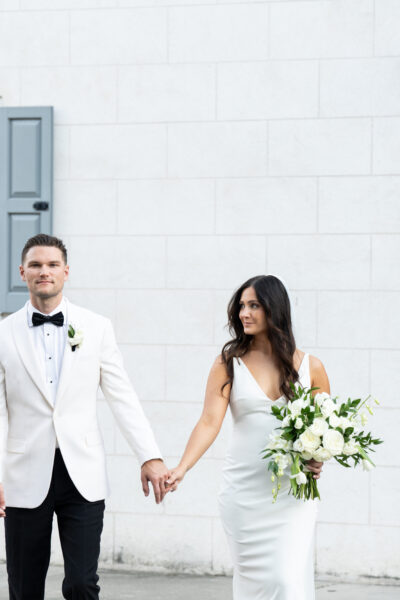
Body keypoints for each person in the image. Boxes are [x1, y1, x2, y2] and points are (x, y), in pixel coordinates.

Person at [0, 234, 171, 600]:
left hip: (83, 475)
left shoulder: (96, 327)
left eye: (51, 265)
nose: (43, 271)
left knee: (81, 583)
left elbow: (122, 395)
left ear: (65, 271)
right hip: (23, 475)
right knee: (24, 587)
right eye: (35, 265)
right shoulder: (3, 333)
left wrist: (150, 455)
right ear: (22, 272)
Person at [167, 275, 330, 599]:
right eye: (242, 305)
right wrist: (182, 467)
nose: (245, 313)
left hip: (292, 494)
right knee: (255, 586)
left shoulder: (311, 366)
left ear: (275, 309)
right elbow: (209, 421)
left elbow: (325, 428)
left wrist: (318, 456)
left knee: (287, 582)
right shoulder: (229, 363)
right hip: (243, 495)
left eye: (254, 305)